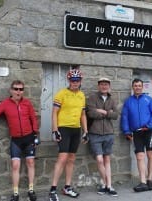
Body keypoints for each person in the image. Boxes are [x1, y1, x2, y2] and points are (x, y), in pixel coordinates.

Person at [0, 80, 39, 201]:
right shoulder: (5, 104)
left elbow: (33, 118)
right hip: (16, 140)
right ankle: (15, 193)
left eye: (21, 89)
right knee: (15, 165)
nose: (18, 92)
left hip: (29, 138)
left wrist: (35, 134)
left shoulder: (27, 103)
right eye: (16, 89)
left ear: (23, 91)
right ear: (11, 90)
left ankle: (31, 190)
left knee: (31, 163)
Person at [49, 68, 88, 201]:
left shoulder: (82, 95)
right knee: (63, 158)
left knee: (71, 158)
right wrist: (55, 130)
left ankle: (67, 186)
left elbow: (83, 115)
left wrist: (85, 131)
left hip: (76, 129)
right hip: (63, 128)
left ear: (80, 81)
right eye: (72, 80)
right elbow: (54, 113)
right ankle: (52, 189)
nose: (75, 82)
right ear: (69, 80)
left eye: (77, 80)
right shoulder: (61, 94)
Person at [121, 78, 152, 192]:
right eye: (135, 85)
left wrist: (150, 125)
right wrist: (126, 131)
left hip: (149, 130)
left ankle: (150, 179)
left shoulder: (149, 100)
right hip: (136, 132)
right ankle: (143, 182)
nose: (137, 87)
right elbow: (124, 117)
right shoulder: (128, 101)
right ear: (133, 87)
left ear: (142, 87)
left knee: (150, 154)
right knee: (139, 157)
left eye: (139, 85)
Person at [86, 77, 119, 196]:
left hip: (109, 133)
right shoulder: (92, 98)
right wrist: (106, 113)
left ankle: (108, 186)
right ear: (98, 86)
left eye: (106, 84)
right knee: (99, 160)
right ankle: (107, 184)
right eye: (102, 84)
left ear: (109, 86)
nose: (104, 86)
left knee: (107, 159)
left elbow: (115, 115)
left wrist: (103, 112)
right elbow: (90, 113)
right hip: (95, 133)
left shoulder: (112, 99)